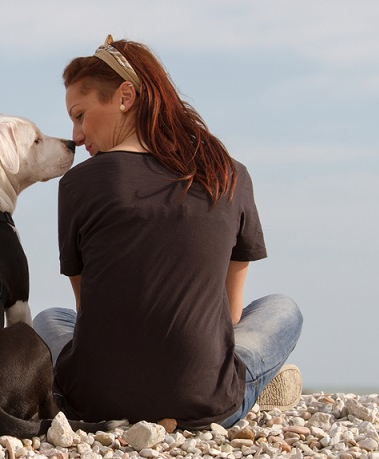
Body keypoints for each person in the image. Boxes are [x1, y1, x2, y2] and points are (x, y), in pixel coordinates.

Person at [32, 35, 303, 430]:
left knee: (50, 318)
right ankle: (255, 382)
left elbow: (88, 312)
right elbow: (230, 313)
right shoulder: (228, 173)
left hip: (95, 399)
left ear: (125, 96)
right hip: (205, 399)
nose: (75, 135)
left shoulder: (79, 184)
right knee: (282, 309)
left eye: (80, 115)